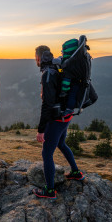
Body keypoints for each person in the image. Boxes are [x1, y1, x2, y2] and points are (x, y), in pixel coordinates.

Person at [32, 45, 85, 200]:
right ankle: (75, 173)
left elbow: (47, 105)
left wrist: (41, 129)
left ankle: (50, 190)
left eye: (35, 57)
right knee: (61, 144)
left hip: (57, 119)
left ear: (39, 57)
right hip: (66, 115)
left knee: (47, 153)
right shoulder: (58, 67)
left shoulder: (47, 73)